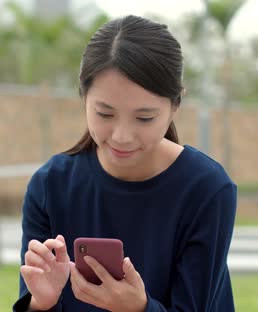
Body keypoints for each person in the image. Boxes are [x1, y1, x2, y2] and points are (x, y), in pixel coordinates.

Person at [13, 15, 237, 312]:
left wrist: (139, 308)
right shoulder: (51, 185)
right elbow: (34, 301)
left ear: (175, 105)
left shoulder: (207, 189)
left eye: (144, 118)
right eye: (105, 114)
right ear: (83, 96)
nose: (122, 137)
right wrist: (41, 303)